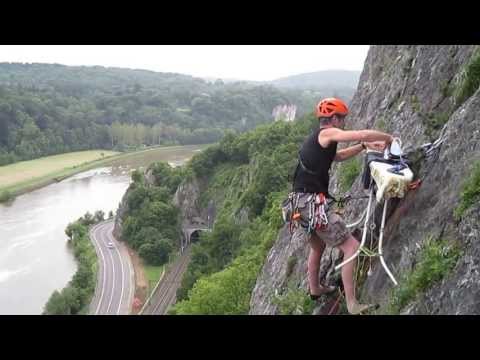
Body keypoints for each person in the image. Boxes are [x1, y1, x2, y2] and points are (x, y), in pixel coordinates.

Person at [292, 97, 393, 314]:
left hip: (299, 203)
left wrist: (363, 146)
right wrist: (388, 138)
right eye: (342, 119)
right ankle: (352, 304)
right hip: (311, 203)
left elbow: (337, 156)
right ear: (334, 118)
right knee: (351, 247)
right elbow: (362, 133)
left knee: (318, 246)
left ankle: (315, 288)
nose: (344, 122)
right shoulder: (327, 133)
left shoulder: (322, 140)